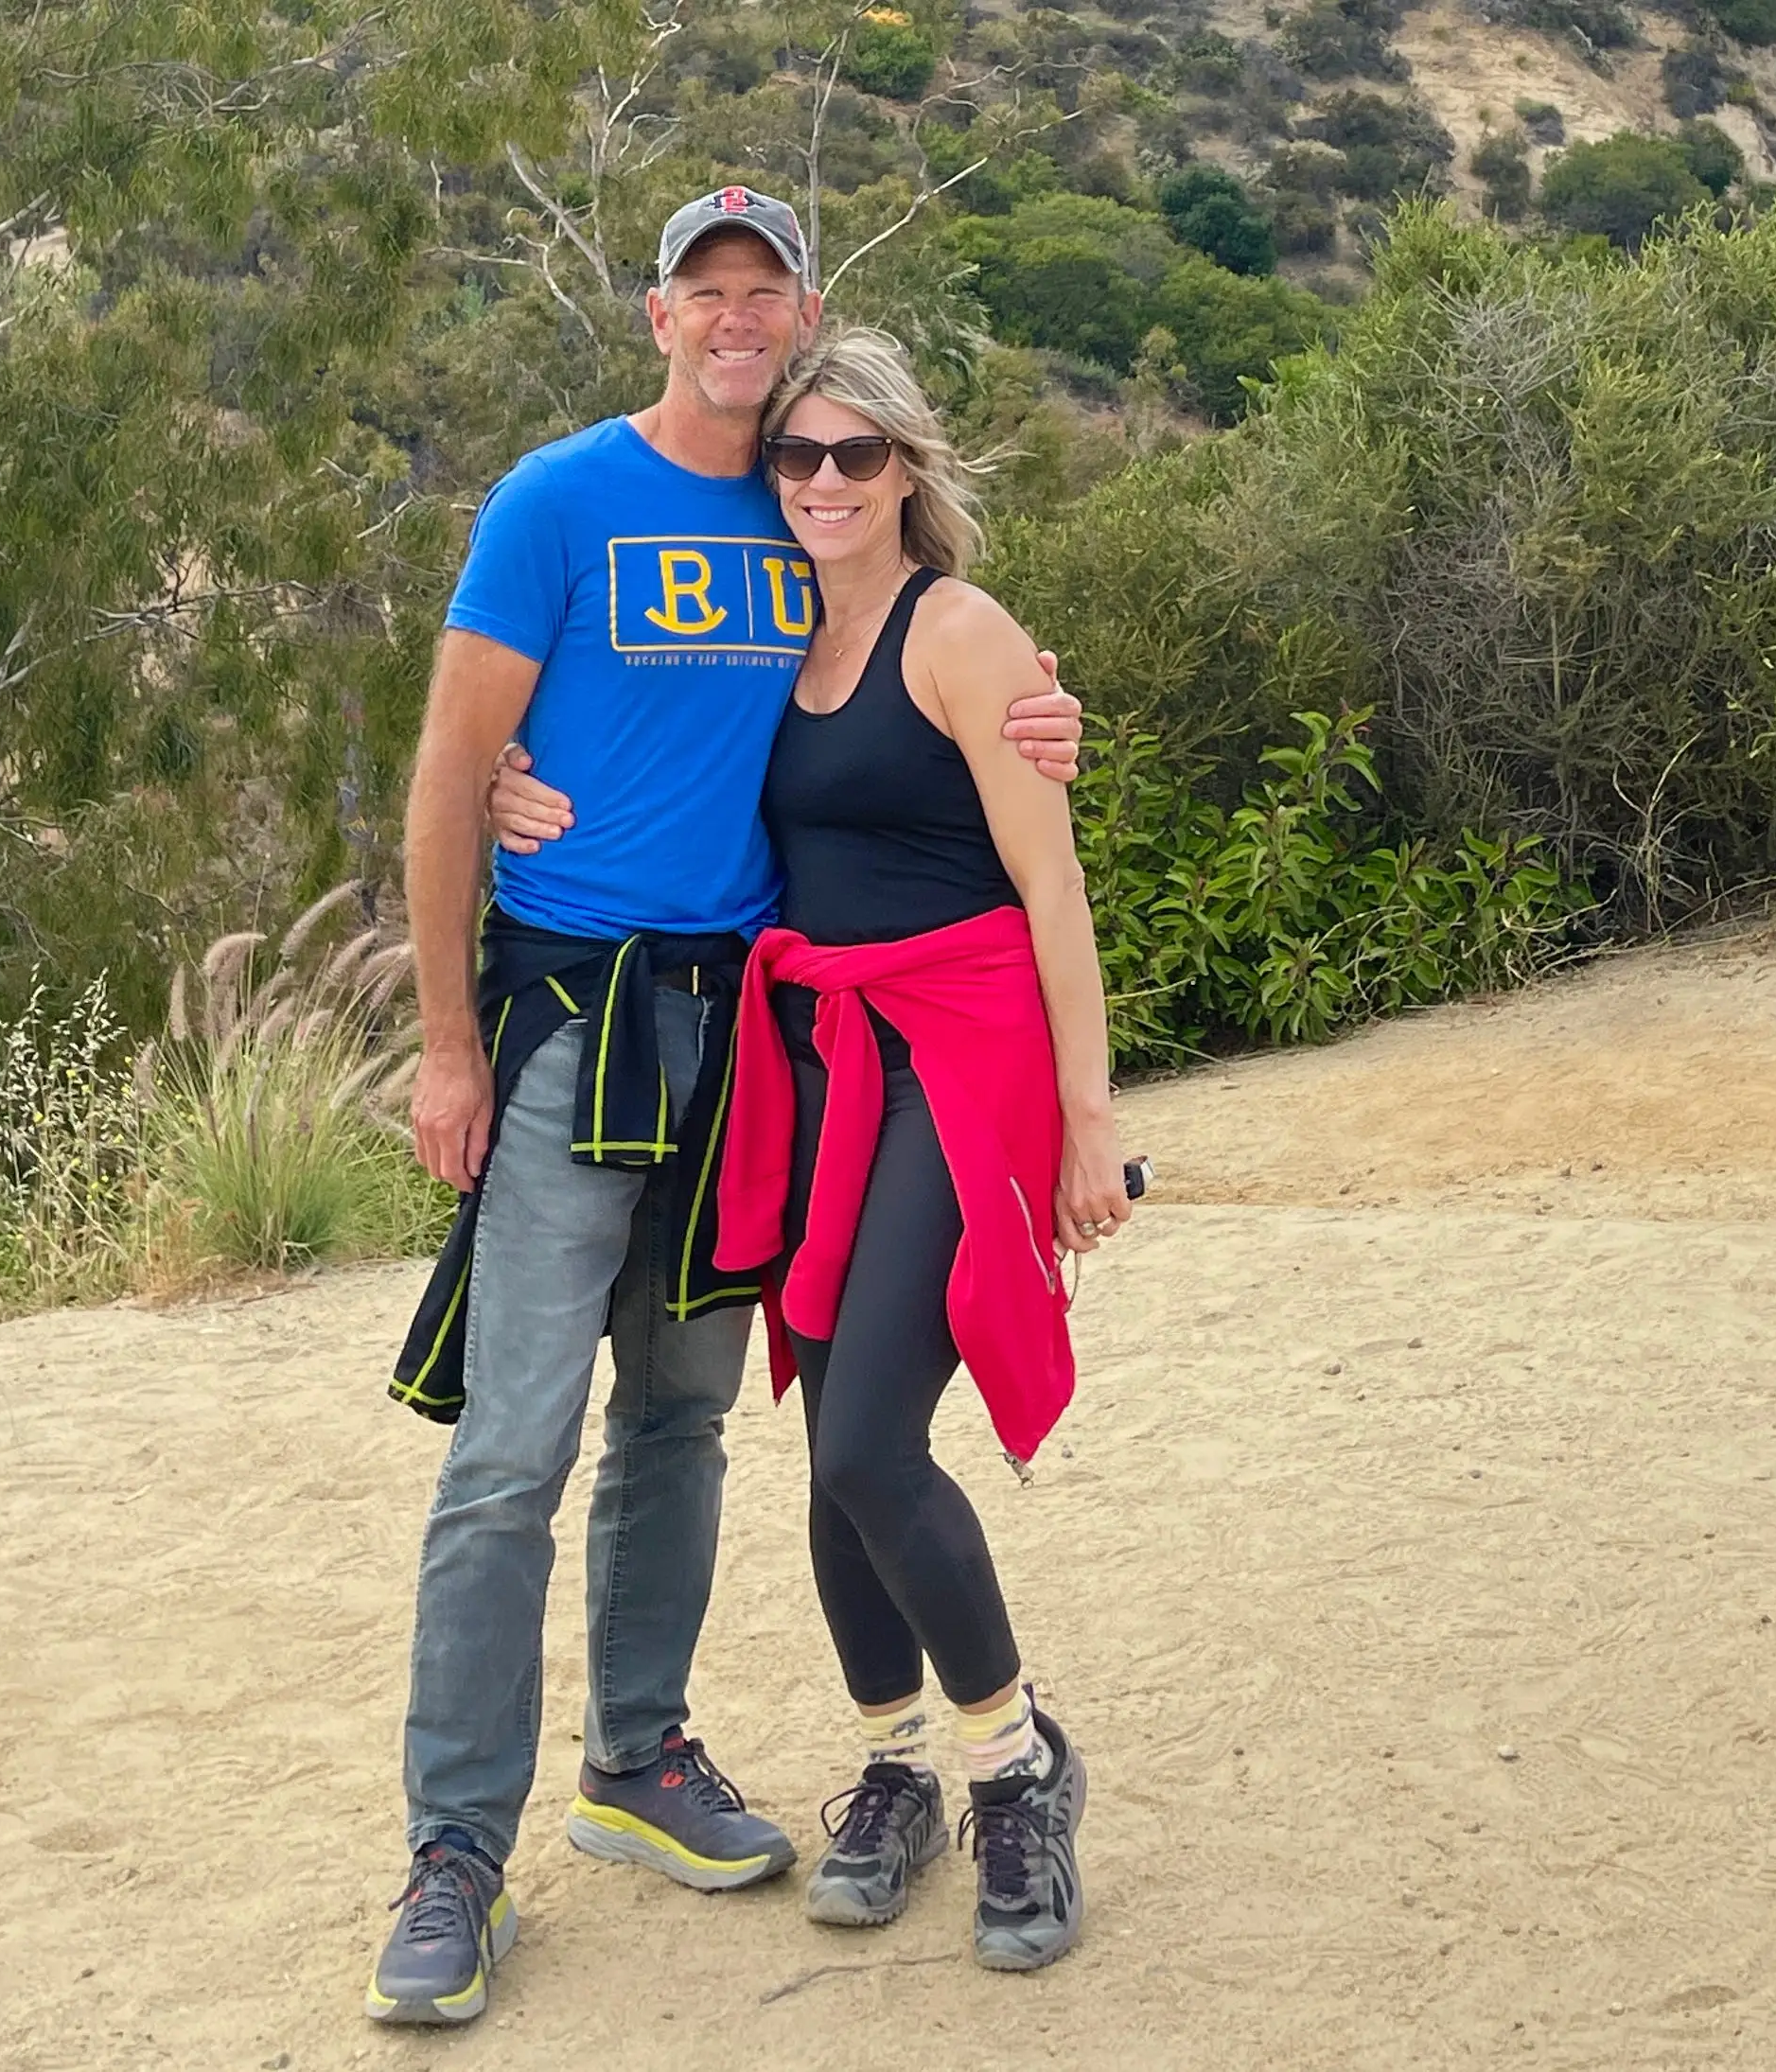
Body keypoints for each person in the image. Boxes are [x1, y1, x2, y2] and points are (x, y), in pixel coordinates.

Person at [370, 187, 1081, 2028]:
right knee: (512, 1450)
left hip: (760, 1047)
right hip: (575, 1027)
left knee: (694, 1422)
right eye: (708, 292)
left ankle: (644, 1764)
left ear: (808, 321)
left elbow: (943, 735)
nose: (741, 325)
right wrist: (447, 1038)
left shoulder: (826, 538)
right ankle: (457, 1852)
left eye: (766, 295)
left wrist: (1043, 719)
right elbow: (456, 764)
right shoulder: (559, 503)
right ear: (658, 314)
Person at [498, 325, 1127, 1973]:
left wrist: (1088, 1117)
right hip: (819, 1059)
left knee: (865, 1441)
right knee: (825, 1435)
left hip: (957, 1051)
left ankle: (1018, 1769)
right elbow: (641, 743)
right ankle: (894, 1765)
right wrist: (512, 779)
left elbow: (1052, 890)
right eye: (800, 457)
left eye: (858, 455)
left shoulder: (963, 632)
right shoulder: (774, 634)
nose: (826, 483)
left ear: (910, 469)